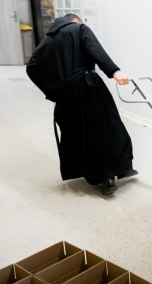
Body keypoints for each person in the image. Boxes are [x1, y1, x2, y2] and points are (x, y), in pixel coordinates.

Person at [26, 14, 137, 195]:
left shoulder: (44, 44)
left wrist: (53, 90)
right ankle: (109, 175)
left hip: (64, 97)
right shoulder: (79, 29)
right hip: (88, 88)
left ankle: (114, 170)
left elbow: (31, 68)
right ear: (75, 20)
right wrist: (114, 71)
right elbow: (95, 50)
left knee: (79, 135)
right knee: (107, 128)